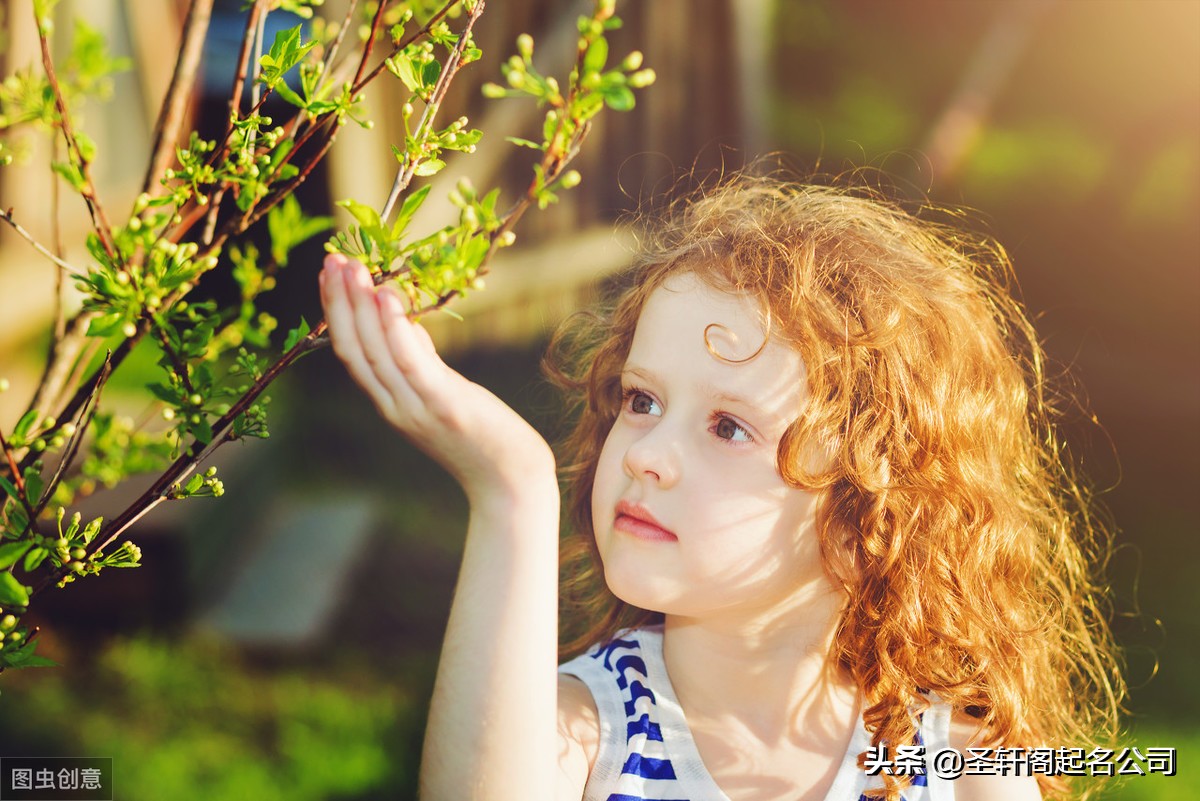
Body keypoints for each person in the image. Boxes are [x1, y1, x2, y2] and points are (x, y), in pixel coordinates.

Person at [318, 174, 1123, 801]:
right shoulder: (586, 731)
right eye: (642, 401)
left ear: (864, 516)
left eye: (728, 427)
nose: (645, 456)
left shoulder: (956, 763)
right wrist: (513, 492)